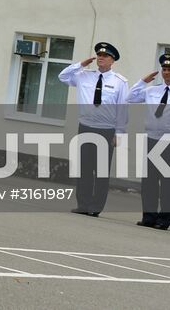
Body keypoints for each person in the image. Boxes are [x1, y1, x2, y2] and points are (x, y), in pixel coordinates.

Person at [59, 41, 129, 217]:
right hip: (85, 127)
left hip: (107, 130)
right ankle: (83, 204)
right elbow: (62, 76)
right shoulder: (84, 75)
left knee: (101, 170)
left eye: (105, 56)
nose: (101, 58)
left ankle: (96, 207)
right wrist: (80, 64)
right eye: (99, 55)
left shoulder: (120, 82)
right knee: (84, 168)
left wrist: (119, 133)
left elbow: (123, 109)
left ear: (112, 60)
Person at [127, 53, 170, 229]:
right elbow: (130, 98)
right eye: (164, 69)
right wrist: (143, 81)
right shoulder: (152, 90)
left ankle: (164, 220)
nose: (167, 73)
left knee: (167, 183)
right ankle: (148, 217)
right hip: (152, 139)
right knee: (149, 181)